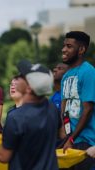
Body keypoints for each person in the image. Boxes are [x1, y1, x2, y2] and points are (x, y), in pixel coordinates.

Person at [0, 59, 61, 170]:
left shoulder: (15, 117)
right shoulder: (52, 108)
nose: (17, 78)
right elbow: (62, 135)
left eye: (22, 77)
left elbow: (4, 156)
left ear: (29, 88)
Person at [60, 31, 95, 169]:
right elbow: (64, 107)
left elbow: (88, 109)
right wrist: (66, 133)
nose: (63, 49)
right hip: (71, 141)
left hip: (86, 141)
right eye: (64, 45)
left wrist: (72, 138)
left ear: (81, 50)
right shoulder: (66, 76)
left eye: (69, 46)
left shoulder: (88, 72)